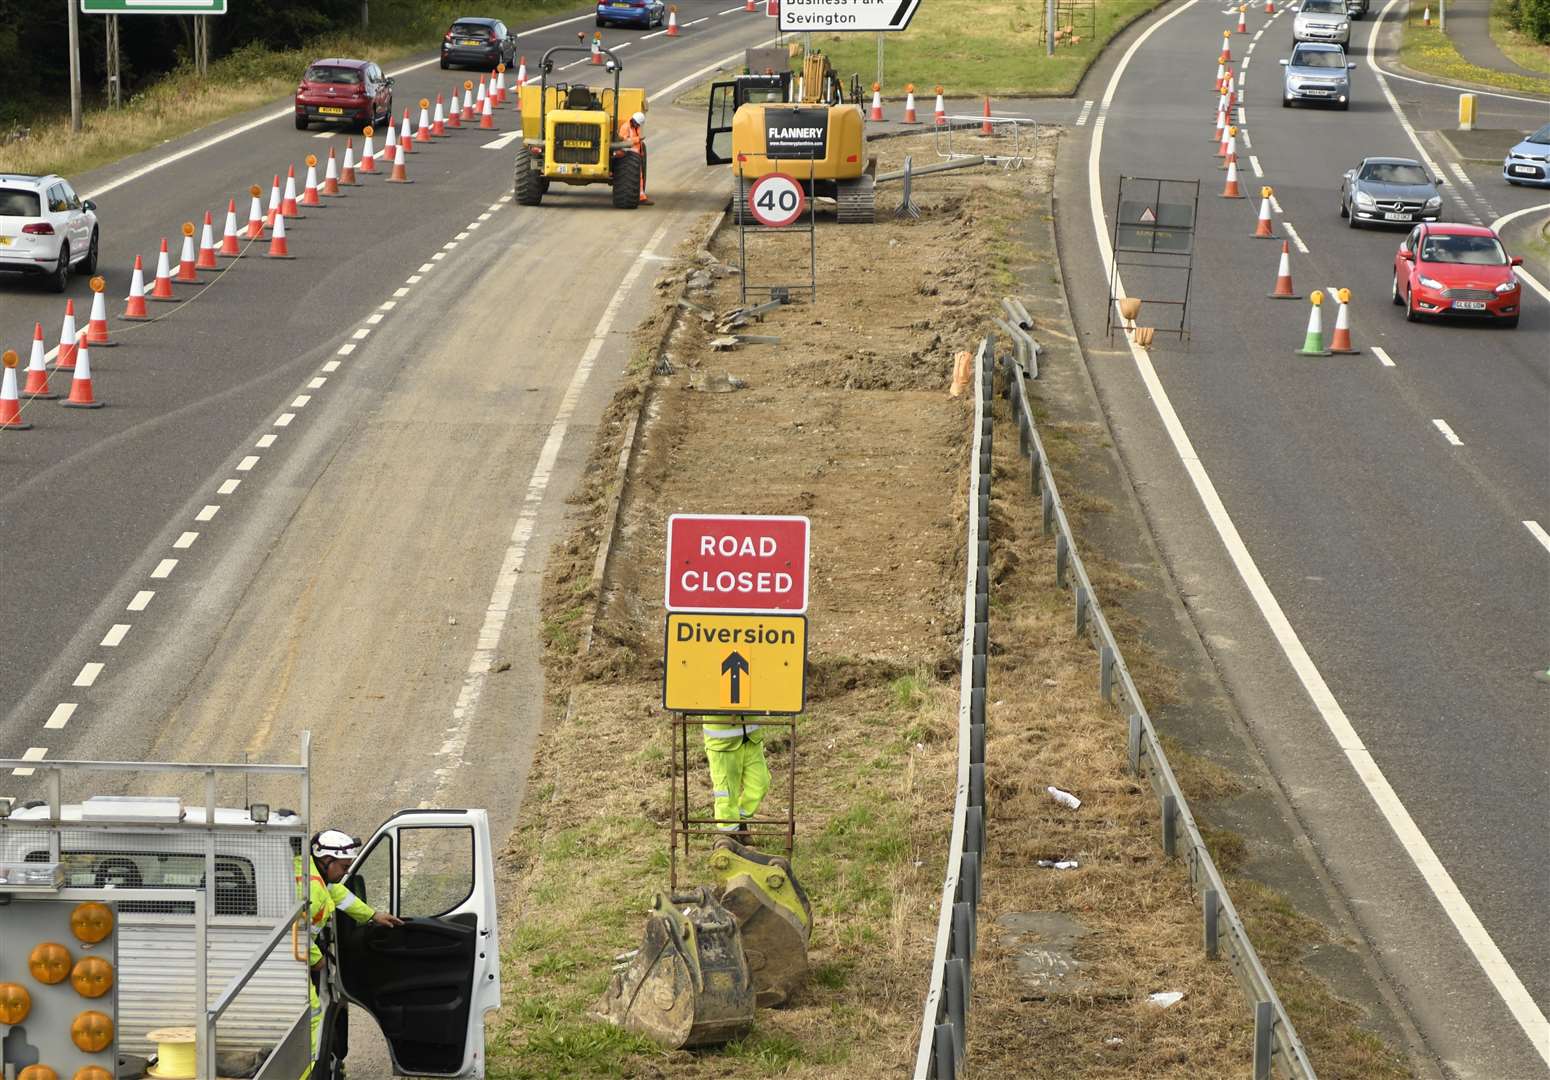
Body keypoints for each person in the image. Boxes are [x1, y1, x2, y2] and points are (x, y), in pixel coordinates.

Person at [295, 829, 403, 1079]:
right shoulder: (311, 887)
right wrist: (316, 958)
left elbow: (339, 894)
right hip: (293, 961)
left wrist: (372, 915)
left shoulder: (315, 877)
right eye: (343, 867)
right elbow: (298, 930)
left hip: (294, 958)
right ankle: (308, 1072)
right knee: (311, 1015)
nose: (345, 872)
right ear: (326, 860)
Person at [702, 717, 770, 843]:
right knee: (726, 793)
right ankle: (728, 835)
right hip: (723, 743)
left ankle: (741, 821)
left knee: (760, 783)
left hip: (751, 738)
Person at [617, 110, 651, 205]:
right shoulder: (625, 127)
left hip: (635, 154)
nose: (638, 126)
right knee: (636, 176)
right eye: (637, 124)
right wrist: (637, 140)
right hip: (627, 153)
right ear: (634, 120)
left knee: (639, 176)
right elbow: (624, 141)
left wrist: (641, 151)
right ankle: (640, 197)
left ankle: (641, 196)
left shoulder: (636, 127)